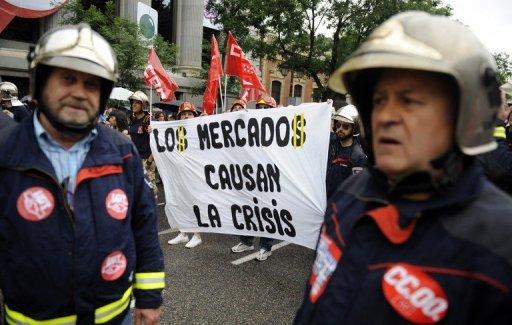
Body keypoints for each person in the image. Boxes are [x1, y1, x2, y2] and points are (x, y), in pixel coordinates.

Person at [295, 11, 512, 323]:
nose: (386, 116)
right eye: (380, 101)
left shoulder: (500, 246)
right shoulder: (351, 194)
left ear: (466, 114)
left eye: (409, 101)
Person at [0, 24, 165, 324]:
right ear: (39, 84)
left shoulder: (122, 153)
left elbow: (144, 226)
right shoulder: (6, 153)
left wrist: (150, 296)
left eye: (91, 84)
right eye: (67, 79)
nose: (79, 92)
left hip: (115, 317)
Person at [231, 95, 276, 261]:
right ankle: (246, 241)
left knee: (266, 213)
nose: (262, 111)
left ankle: (266, 246)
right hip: (249, 176)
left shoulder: (278, 128)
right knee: (248, 210)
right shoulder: (249, 126)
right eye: (260, 108)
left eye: (266, 108)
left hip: (269, 179)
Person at [167, 101, 204, 248]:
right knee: (180, 202)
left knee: (194, 203)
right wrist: (154, 131)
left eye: (189, 114)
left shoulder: (200, 129)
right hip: (179, 172)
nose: (186, 117)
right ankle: (183, 233)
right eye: (184, 115)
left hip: (194, 174)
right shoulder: (179, 132)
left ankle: (197, 235)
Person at [326, 104, 367, 198]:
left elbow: (357, 188)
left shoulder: (358, 156)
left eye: (345, 126)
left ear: (354, 129)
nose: (340, 129)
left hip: (339, 205)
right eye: (338, 125)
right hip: (323, 201)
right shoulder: (332, 141)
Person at [128, 90, 158, 200]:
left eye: (137, 102)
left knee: (150, 190)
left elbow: (156, 142)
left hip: (147, 159)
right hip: (135, 158)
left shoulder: (148, 120)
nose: (133, 104)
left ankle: (152, 214)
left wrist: (149, 161)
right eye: (133, 102)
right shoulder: (133, 120)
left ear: (143, 104)